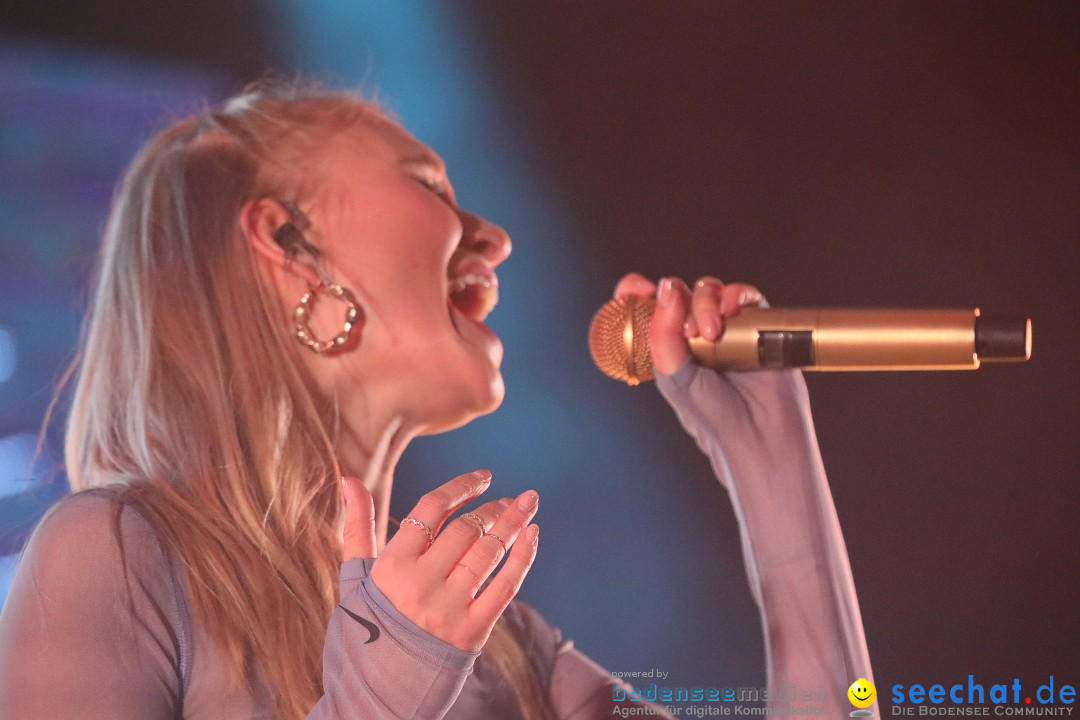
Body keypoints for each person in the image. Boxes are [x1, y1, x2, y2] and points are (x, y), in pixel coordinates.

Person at [0, 81, 874, 719]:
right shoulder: (116, 562)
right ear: (286, 243)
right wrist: (380, 697)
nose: (496, 237)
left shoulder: (511, 652)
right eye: (427, 183)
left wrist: (773, 470)